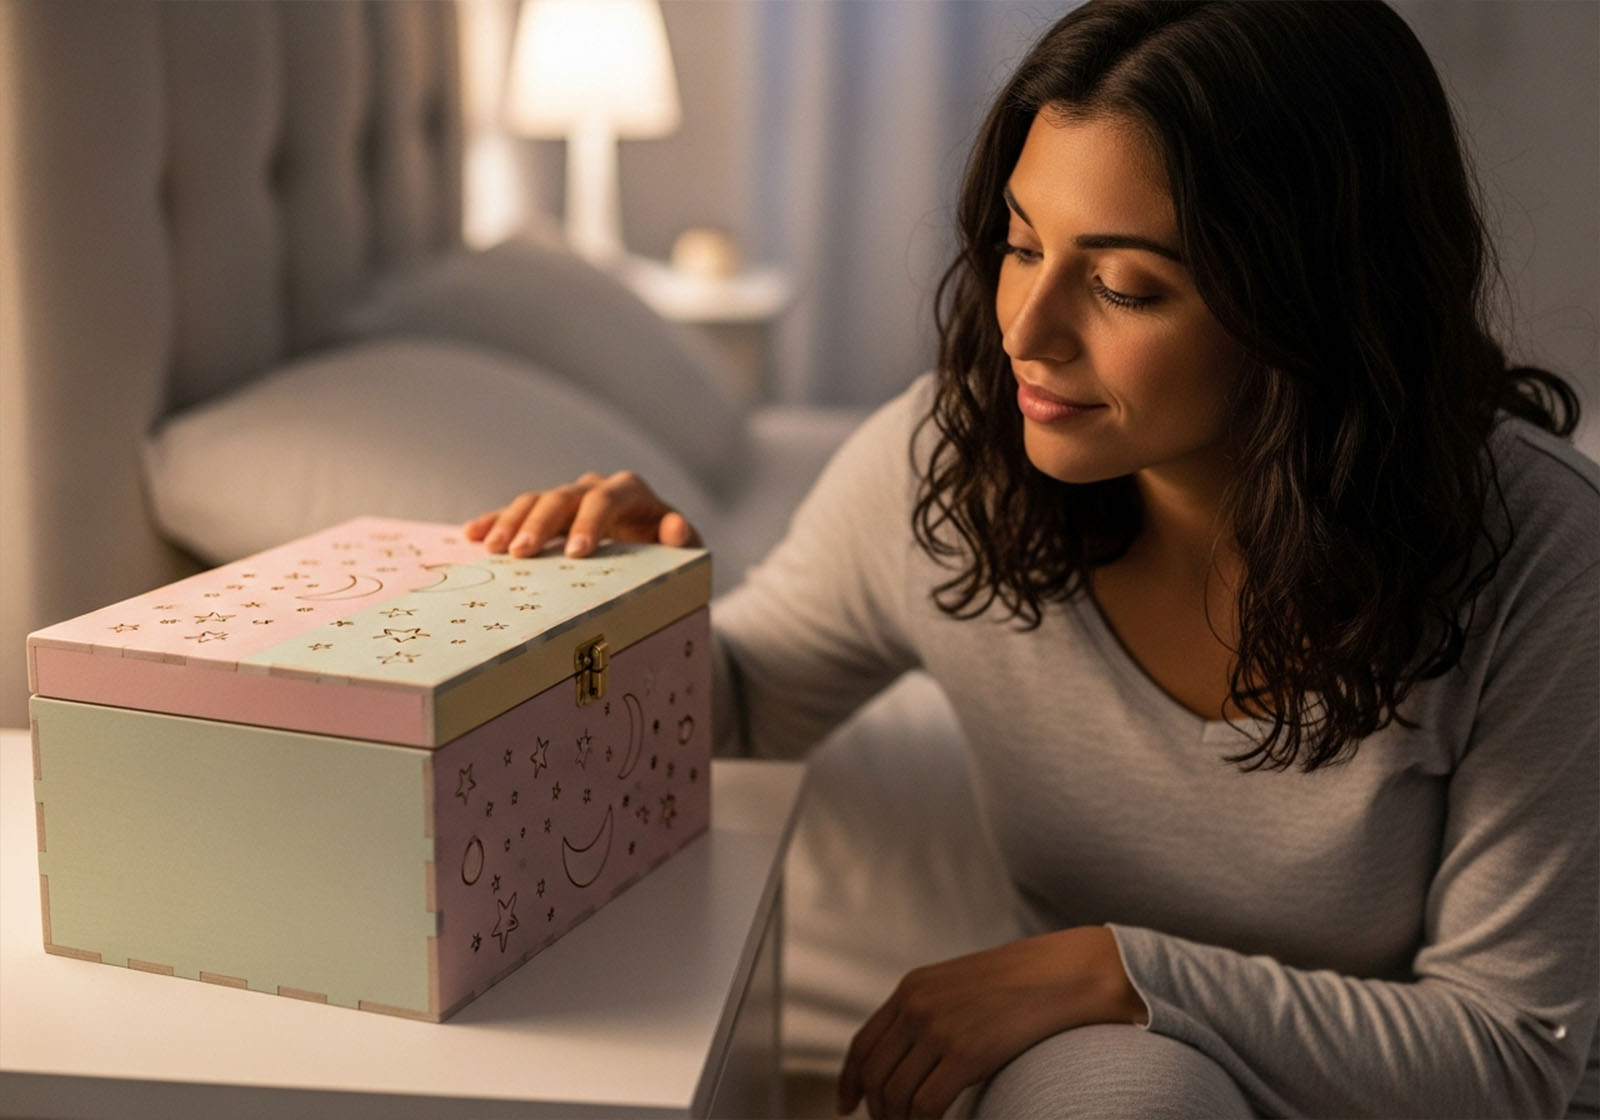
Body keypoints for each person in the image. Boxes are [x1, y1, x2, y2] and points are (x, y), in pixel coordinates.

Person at [466, 1, 1598, 1116]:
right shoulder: (951, 470)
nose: (1025, 329)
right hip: (1124, 1067)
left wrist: (1111, 968)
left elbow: (1508, 1054)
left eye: (1122, 286)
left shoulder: (1540, 557)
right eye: (1019, 243)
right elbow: (745, 705)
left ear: (1317, 306)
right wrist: (622, 603)